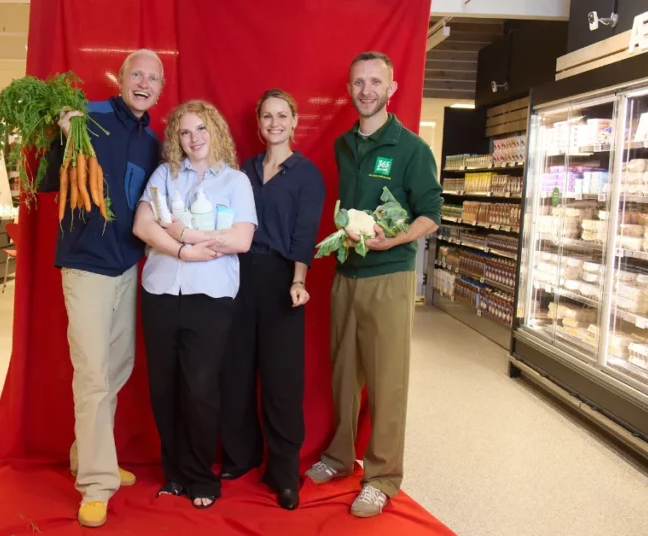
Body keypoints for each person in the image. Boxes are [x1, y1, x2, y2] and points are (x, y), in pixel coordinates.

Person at [304, 51, 442, 518]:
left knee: (387, 380)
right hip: (347, 273)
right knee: (343, 375)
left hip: (389, 276)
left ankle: (382, 476)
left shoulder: (411, 148)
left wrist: (394, 239)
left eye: (375, 82)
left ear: (391, 88)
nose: (366, 90)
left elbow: (431, 215)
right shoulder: (344, 145)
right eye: (358, 82)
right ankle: (341, 458)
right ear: (349, 89)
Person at [38, 49, 164, 528]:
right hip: (87, 266)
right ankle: (96, 482)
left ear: (160, 87)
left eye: (153, 77)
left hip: (128, 265)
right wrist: (64, 140)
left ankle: (87, 455)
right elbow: (50, 182)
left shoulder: (152, 142)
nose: (144, 82)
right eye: (137, 73)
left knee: (115, 368)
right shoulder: (86, 116)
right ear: (122, 78)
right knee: (92, 375)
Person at [132, 100, 257, 510]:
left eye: (200, 129)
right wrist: (185, 248)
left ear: (215, 130)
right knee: (164, 389)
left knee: (200, 389)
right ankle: (175, 475)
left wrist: (182, 230)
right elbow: (142, 226)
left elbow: (241, 240)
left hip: (211, 299)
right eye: (184, 132)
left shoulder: (236, 182)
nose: (194, 138)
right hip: (161, 294)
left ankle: (202, 476)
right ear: (176, 139)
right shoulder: (164, 175)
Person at [219, 89, 325, 511]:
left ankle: (283, 474)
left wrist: (298, 282)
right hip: (240, 277)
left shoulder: (306, 174)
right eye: (267, 116)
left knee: (282, 382)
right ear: (259, 123)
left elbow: (303, 236)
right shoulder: (243, 170)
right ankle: (240, 456)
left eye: (283, 115)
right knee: (236, 371)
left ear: (295, 120)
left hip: (284, 282)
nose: (275, 123)